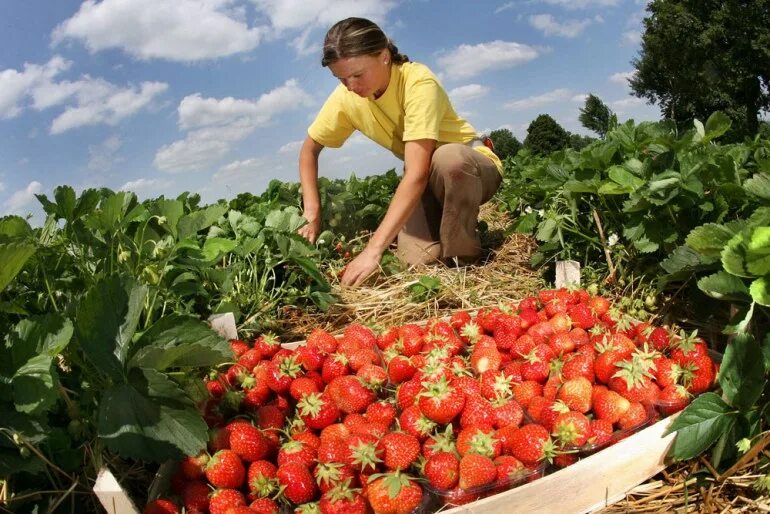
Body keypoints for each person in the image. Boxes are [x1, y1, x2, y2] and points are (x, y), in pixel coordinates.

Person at [297, 17, 502, 286]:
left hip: (470, 167)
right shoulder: (346, 98)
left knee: (448, 159)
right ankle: (439, 234)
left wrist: (373, 250)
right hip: (425, 179)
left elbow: (416, 173)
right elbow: (309, 151)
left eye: (358, 74)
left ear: (383, 56)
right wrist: (311, 213)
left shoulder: (417, 81)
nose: (351, 86)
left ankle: (463, 261)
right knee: (416, 264)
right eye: (341, 78)